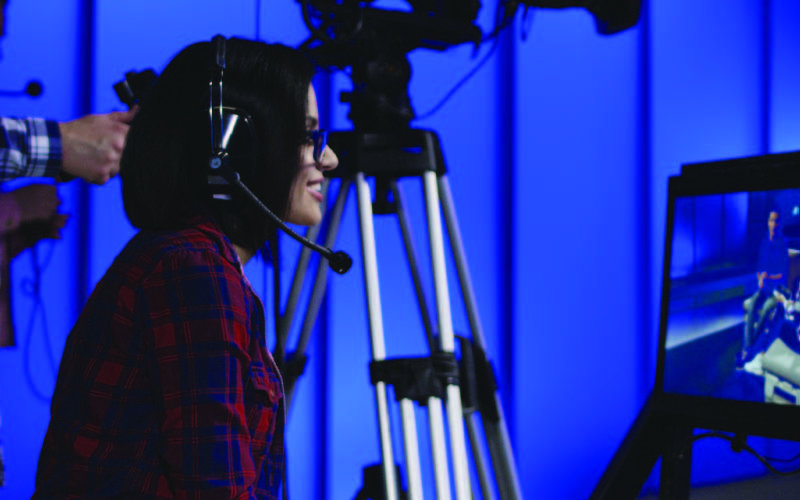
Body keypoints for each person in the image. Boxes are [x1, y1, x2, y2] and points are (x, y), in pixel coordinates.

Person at [32, 37, 338, 499]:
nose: (329, 159)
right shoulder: (192, 273)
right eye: (306, 136)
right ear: (233, 148)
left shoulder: (193, 263)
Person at [740, 207, 791, 367]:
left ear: (779, 224)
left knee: (766, 311)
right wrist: (759, 277)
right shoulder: (764, 243)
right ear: (768, 223)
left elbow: (782, 274)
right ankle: (748, 348)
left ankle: (752, 350)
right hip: (763, 288)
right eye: (771, 220)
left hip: (776, 291)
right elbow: (759, 267)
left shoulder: (782, 245)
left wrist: (766, 276)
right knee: (753, 303)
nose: (774, 224)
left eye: (777, 221)